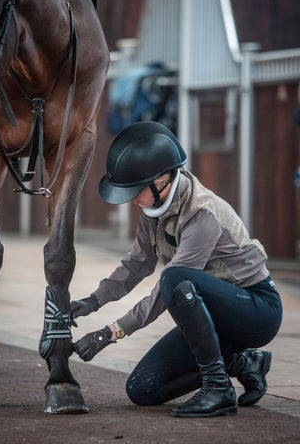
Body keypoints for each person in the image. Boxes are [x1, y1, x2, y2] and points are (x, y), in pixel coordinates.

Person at [71, 121, 282, 418]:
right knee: (142, 390)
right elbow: (137, 263)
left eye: (135, 190)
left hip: (256, 309)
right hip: (212, 314)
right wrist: (92, 302)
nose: (131, 200)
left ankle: (218, 389)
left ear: (161, 181)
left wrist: (110, 333)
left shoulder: (201, 214)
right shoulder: (153, 210)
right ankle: (243, 362)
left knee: (174, 277)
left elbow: (169, 290)